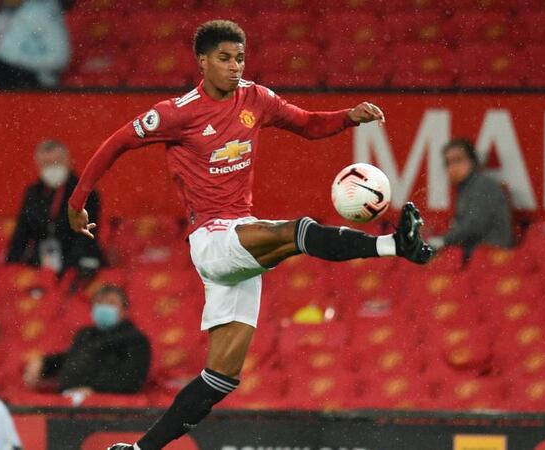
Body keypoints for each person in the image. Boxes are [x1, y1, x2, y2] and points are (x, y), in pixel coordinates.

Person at [66, 20, 432, 450]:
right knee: (296, 232)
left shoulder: (255, 99)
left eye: (240, 57)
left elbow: (308, 124)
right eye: (224, 58)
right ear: (202, 61)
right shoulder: (176, 112)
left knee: (221, 377)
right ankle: (392, 245)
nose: (235, 66)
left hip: (238, 239)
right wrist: (77, 204)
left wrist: (348, 117)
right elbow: (117, 143)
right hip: (212, 238)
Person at [22, 284, 150, 397]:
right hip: (70, 398)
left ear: (124, 310)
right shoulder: (86, 334)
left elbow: (132, 379)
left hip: (103, 403)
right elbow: (71, 359)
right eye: (99, 303)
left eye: (111, 303)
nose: (104, 307)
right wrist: (44, 363)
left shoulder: (135, 340)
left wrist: (94, 389)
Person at [6, 139, 104, 279]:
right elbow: (21, 233)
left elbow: (87, 233)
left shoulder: (85, 191)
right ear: (38, 165)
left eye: (57, 161)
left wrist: (68, 268)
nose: (52, 167)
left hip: (77, 262)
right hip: (41, 262)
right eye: (47, 163)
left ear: (69, 161)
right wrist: (11, 264)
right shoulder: (33, 193)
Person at [428, 137, 513, 258]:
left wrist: (443, 241)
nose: (453, 167)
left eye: (458, 160)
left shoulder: (483, 185)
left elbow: (473, 226)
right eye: (448, 162)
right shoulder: (467, 188)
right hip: (477, 254)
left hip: (490, 257)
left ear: (472, 161)